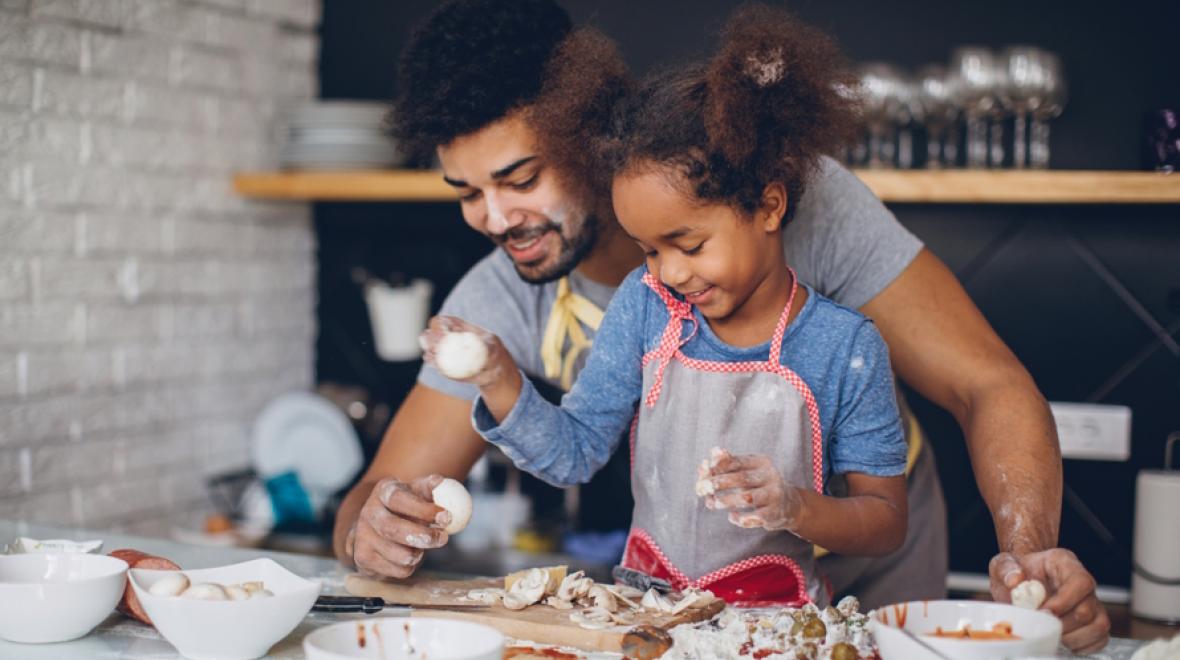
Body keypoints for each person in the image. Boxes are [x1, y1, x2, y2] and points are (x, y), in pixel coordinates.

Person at [333, 0, 1109, 651]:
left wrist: (1029, 557)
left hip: (878, 564)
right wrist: (370, 528)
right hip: (692, 599)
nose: (496, 219)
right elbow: (377, 490)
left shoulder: (794, 201)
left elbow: (987, 385)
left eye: (521, 178)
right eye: (466, 192)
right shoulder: (505, 294)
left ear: (584, 137)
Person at [418, 7, 910, 608]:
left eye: (690, 244)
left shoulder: (845, 347)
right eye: (649, 249)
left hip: (774, 619)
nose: (669, 273)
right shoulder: (647, 307)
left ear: (769, 206)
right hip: (649, 609)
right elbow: (571, 454)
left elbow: (885, 523)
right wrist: (497, 375)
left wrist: (792, 506)